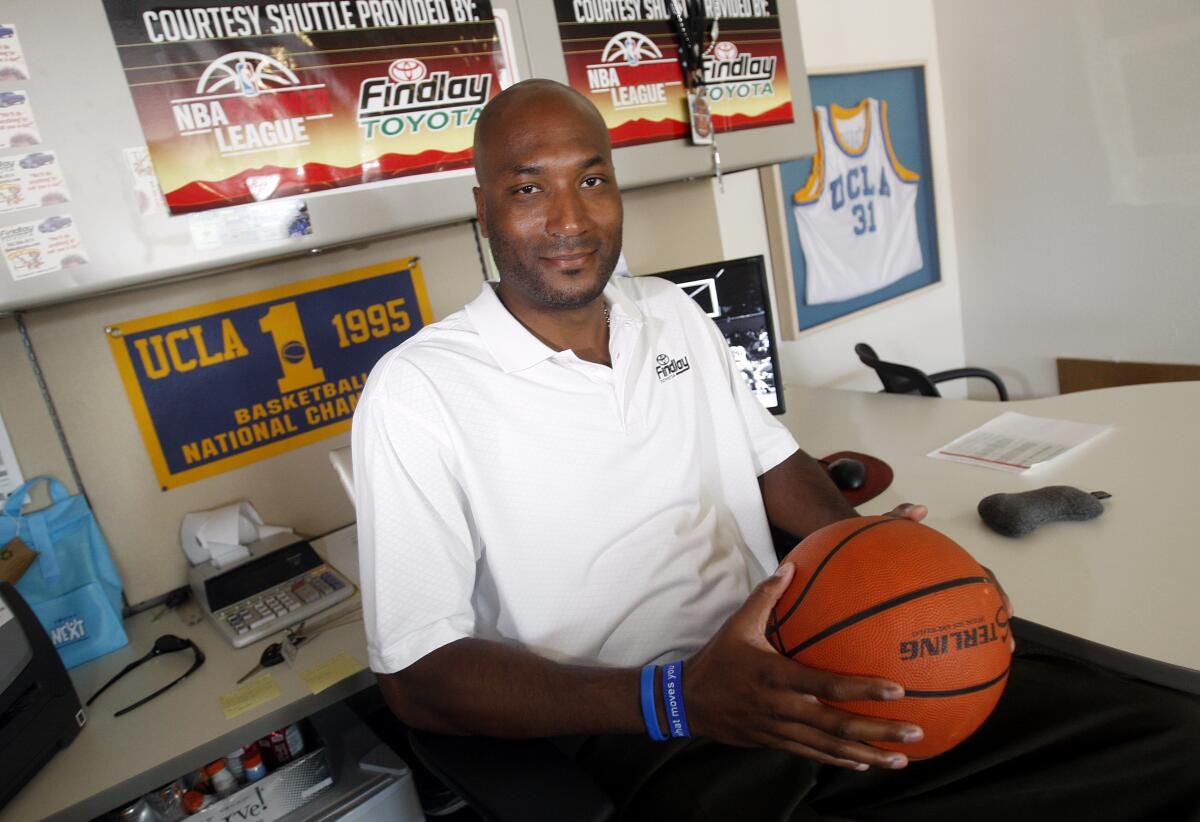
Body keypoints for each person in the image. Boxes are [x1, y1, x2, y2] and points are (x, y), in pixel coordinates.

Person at [352, 79, 1200, 820]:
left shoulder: (673, 315)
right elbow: (417, 678)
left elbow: (774, 464)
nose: (569, 219)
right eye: (528, 187)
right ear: (482, 208)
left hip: (812, 647)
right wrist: (676, 698)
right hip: (652, 727)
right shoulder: (419, 393)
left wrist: (864, 549)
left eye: (593, 179)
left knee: (1166, 742)